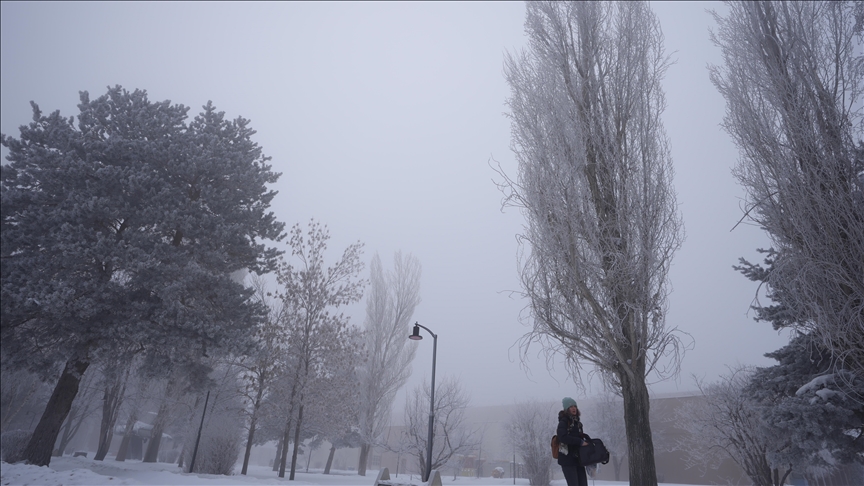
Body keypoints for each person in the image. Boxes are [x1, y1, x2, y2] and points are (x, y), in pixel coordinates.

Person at [556, 397, 590, 486]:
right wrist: (580, 442)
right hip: (567, 460)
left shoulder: (577, 423)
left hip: (578, 459)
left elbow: (578, 436)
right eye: (571, 406)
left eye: (575, 406)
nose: (574, 408)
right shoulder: (563, 422)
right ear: (566, 409)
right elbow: (563, 437)